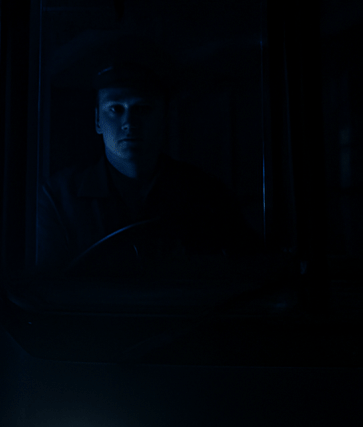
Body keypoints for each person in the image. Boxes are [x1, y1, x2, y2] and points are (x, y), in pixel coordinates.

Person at [35, 60, 259, 274]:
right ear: (97, 121)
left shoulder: (207, 196)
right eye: (115, 109)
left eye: (142, 109)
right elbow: (47, 287)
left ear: (164, 117)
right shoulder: (59, 197)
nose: (129, 123)